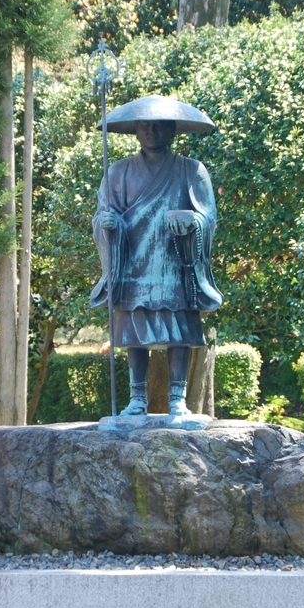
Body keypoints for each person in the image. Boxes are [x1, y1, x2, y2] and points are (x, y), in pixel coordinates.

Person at [91, 95, 223, 419]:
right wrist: (108, 224)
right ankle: (137, 399)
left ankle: (177, 399)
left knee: (179, 331)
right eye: (145, 125)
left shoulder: (192, 170)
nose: (151, 131)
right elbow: (104, 215)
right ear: (136, 129)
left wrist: (193, 222)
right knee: (135, 335)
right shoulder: (118, 172)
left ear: (173, 129)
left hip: (174, 263)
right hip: (134, 263)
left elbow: (208, 217)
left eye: (160, 125)